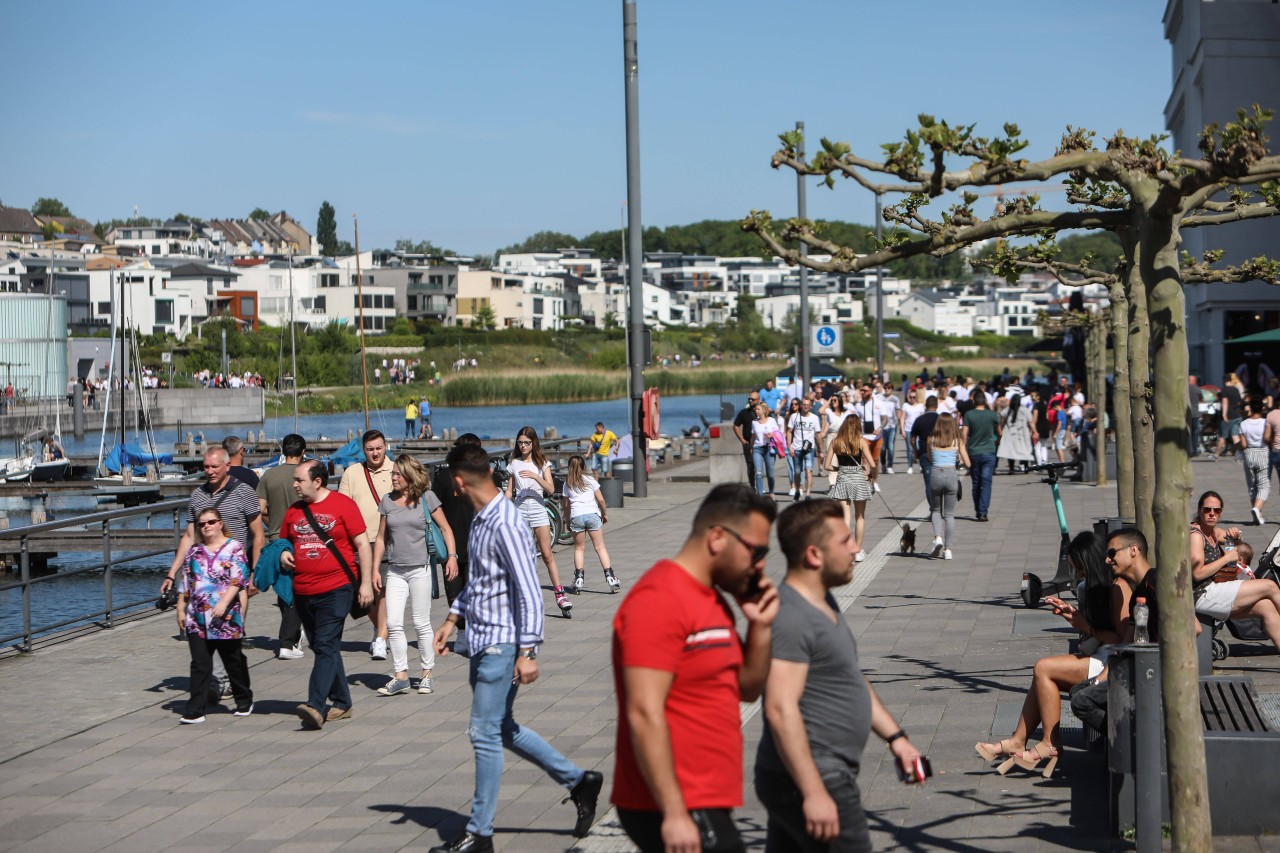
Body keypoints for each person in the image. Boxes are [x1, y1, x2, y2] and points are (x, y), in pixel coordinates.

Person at [429, 443, 603, 853]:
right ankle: (579, 781)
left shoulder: (505, 521)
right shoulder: (483, 517)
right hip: (481, 640)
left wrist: (529, 651)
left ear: (457, 481)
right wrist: (453, 618)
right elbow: (483, 582)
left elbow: (528, 588)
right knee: (502, 728)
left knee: (484, 732)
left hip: (502, 644)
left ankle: (480, 832)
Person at [611, 484, 780, 853]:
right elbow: (643, 711)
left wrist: (761, 626)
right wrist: (673, 812)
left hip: (706, 795)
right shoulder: (659, 598)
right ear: (718, 537)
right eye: (758, 551)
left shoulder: (713, 600)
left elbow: (747, 689)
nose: (762, 565)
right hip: (667, 801)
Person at [756, 500, 924, 850]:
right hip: (813, 778)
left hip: (809, 776)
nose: (856, 548)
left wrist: (897, 739)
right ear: (814, 555)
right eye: (846, 541)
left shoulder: (822, 601)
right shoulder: (791, 616)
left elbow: (849, 676)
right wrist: (813, 792)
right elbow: (779, 708)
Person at [975, 532, 1129, 777]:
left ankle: (1050, 743)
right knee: (1043, 674)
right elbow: (1102, 631)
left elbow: (1123, 640)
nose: (1079, 575)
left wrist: (1086, 626)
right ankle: (1019, 740)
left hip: (1114, 662)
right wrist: (1076, 618)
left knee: (1044, 668)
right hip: (1104, 654)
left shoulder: (1119, 587)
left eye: (1080, 568)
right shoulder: (1101, 586)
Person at [161, 447, 265, 700]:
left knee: (229, 634)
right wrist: (172, 573)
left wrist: (254, 572)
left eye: (214, 467)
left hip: (233, 577)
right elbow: (189, 537)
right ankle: (217, 682)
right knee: (205, 631)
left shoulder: (244, 492)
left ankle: (230, 680)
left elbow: (258, 533)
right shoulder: (197, 496)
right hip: (203, 579)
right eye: (206, 467)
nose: (209, 471)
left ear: (227, 466)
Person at [281, 461, 374, 729]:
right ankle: (343, 703)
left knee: (324, 645)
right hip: (302, 591)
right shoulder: (294, 511)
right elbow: (284, 542)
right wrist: (284, 553)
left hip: (336, 588)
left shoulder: (343, 505)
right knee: (326, 647)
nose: (295, 484)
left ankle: (315, 705)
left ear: (317, 481)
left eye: (299, 480)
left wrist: (365, 583)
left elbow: (361, 545)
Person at [371, 454, 458, 697]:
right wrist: (375, 569)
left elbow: (446, 528)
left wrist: (452, 556)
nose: (393, 477)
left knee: (421, 623)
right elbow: (380, 538)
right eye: (393, 474)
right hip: (396, 570)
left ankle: (426, 673)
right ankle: (400, 676)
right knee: (394, 623)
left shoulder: (426, 498)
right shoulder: (387, 501)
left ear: (409, 476)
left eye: (397, 474)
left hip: (421, 569)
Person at [176, 507, 254, 724]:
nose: (206, 527)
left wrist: (224, 603)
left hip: (225, 617)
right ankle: (195, 709)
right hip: (197, 618)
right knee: (200, 663)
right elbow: (186, 582)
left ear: (220, 523)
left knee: (233, 660)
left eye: (210, 522)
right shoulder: (194, 552)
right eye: (202, 524)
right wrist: (180, 608)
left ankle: (244, 699)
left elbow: (239, 579)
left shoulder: (234, 548)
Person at [1189, 491, 1280, 649]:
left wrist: (1236, 536)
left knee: (1266, 606)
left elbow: (1240, 546)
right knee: (1270, 586)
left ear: (1220, 513)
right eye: (1207, 509)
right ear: (1199, 510)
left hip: (1216, 590)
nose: (1212, 514)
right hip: (1202, 593)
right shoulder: (1196, 535)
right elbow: (1197, 574)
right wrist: (1225, 558)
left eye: (1216, 510)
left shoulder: (1212, 532)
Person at [338, 429, 395, 660]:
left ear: (386, 447)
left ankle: (381, 638)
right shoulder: (352, 472)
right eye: (370, 449)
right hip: (360, 542)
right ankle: (379, 627)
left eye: (378, 448)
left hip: (390, 541)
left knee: (383, 592)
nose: (375, 453)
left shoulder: (396, 470)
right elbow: (343, 506)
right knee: (366, 593)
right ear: (363, 450)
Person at [508, 426, 572, 617]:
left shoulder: (542, 463)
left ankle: (560, 594)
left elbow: (551, 490)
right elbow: (509, 491)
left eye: (526, 443)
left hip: (537, 510)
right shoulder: (514, 463)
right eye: (520, 443)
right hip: (520, 511)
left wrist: (535, 476)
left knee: (546, 554)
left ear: (533, 443)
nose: (523, 446)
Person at [256, 433, 308, 659]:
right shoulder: (305, 475)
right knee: (300, 590)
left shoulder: (269, 475)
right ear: (302, 452)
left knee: (283, 589)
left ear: (283, 451)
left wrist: (273, 523)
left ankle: (292, 636)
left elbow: (259, 510)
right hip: (302, 538)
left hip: (277, 538)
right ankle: (289, 640)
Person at [432, 433, 484, 655]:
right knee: (454, 593)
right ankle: (461, 631)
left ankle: (475, 633)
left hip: (478, 548)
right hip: (451, 548)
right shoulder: (444, 477)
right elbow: (435, 510)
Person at [562, 455, 619, 595]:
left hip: (576, 516)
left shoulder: (567, 483)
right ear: (583, 467)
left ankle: (579, 579)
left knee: (579, 548)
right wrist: (604, 514)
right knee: (600, 547)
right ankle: (610, 577)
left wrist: (568, 521)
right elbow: (601, 499)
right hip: (592, 515)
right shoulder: (591, 480)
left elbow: (565, 506)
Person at [824, 415, 875, 561]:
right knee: (860, 516)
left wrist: (838, 468)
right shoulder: (861, 441)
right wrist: (869, 474)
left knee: (846, 517)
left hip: (843, 478)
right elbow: (872, 463)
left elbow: (826, 466)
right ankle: (858, 551)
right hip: (858, 479)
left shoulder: (836, 442)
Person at [927, 413, 969, 560]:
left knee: (936, 510)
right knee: (950, 514)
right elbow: (967, 463)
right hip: (951, 475)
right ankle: (948, 549)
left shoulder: (931, 440)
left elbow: (930, 458)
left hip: (936, 474)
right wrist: (959, 461)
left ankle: (938, 537)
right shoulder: (957, 441)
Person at [963, 392, 999, 522]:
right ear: (984, 402)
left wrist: (963, 450)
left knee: (976, 482)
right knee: (987, 482)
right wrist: (998, 439)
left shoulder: (969, 415)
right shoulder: (992, 414)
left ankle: (978, 510)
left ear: (974, 402)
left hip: (974, 452)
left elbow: (964, 433)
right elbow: (999, 431)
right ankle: (983, 512)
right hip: (989, 451)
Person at [1239, 401, 1269, 525]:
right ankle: (1257, 509)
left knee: (1252, 485)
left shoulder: (1243, 423)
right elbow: (1268, 437)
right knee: (1264, 485)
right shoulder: (1266, 423)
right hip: (1263, 452)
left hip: (1249, 453)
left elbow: (1243, 444)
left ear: (1250, 408)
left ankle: (1257, 515)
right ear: (1262, 408)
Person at [853, 383, 886, 493]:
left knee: (875, 462)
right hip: (864, 436)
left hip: (877, 436)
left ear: (871, 391)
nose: (862, 392)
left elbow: (885, 419)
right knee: (865, 460)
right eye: (861, 390)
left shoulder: (879, 403)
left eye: (865, 390)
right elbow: (856, 420)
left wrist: (880, 428)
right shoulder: (859, 405)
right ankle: (867, 483)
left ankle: (874, 481)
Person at [787, 397, 822, 500]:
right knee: (797, 472)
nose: (806, 406)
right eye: (804, 404)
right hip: (797, 447)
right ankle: (797, 490)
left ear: (810, 406)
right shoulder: (794, 416)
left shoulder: (814, 418)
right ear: (801, 405)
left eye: (808, 405)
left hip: (809, 448)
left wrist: (821, 450)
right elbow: (789, 431)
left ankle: (808, 494)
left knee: (809, 470)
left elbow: (818, 434)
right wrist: (790, 446)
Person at [911, 395, 941, 512]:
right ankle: (940, 505)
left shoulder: (919, 420)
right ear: (937, 406)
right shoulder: (941, 419)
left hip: (924, 452)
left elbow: (912, 439)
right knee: (940, 480)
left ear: (925, 405)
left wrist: (915, 452)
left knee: (929, 482)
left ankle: (934, 508)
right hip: (940, 453)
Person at [996, 393, 1035, 474]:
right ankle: (1026, 467)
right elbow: (1031, 421)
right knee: (1024, 450)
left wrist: (1000, 432)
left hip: (1010, 434)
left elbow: (1002, 422)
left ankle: (1011, 468)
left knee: (1011, 451)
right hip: (1022, 434)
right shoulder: (1025, 410)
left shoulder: (1007, 410)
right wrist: (1035, 431)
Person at [733, 391, 762, 489]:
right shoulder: (744, 412)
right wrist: (741, 439)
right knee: (750, 466)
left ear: (758, 400)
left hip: (760, 443)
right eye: (749, 399)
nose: (750, 400)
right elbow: (736, 425)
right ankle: (752, 486)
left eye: (752, 399)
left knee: (759, 466)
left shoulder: (763, 412)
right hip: (748, 442)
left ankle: (760, 486)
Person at [751, 401, 782, 496]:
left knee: (770, 474)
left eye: (758, 409)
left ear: (764, 411)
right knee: (758, 473)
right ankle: (759, 495)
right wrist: (751, 448)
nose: (756, 411)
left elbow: (778, 433)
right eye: (755, 409)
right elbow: (753, 436)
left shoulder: (772, 420)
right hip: (757, 448)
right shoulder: (754, 422)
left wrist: (772, 434)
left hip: (769, 448)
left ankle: (771, 492)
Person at [900, 389, 925, 475]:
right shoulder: (905, 405)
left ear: (916, 397)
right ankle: (910, 466)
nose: (912, 399)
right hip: (908, 429)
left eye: (914, 397)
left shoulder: (921, 406)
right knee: (909, 449)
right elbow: (902, 418)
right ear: (908, 397)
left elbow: (922, 418)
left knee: (918, 447)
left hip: (918, 430)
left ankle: (921, 465)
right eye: (911, 397)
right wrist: (902, 429)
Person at [878, 384, 900, 473]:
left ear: (892, 389)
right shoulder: (879, 398)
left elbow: (898, 410)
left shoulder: (895, 399)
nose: (887, 389)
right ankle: (883, 463)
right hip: (882, 425)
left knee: (890, 446)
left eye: (889, 388)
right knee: (882, 448)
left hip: (892, 425)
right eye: (885, 388)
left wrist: (899, 421)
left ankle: (890, 465)